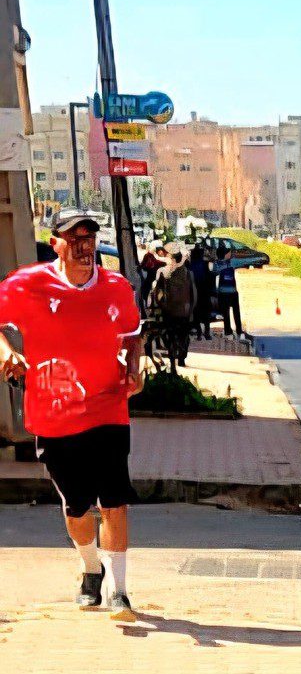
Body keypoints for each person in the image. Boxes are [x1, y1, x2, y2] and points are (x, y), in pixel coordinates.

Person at [0, 211, 146, 620]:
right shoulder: (28, 284)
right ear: (56, 244)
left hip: (108, 406)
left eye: (90, 238)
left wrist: (134, 368)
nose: (85, 246)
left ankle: (119, 591)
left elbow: (133, 335)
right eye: (75, 238)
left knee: (114, 500)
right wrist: (7, 352)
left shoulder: (116, 287)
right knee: (77, 508)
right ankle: (91, 568)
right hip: (54, 414)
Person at [147, 249, 195, 368]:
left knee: (171, 336)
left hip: (169, 310)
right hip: (184, 311)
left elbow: (157, 292)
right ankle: (181, 358)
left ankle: (173, 361)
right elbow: (193, 293)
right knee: (184, 335)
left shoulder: (164, 273)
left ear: (173, 260)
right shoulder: (189, 274)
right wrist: (191, 308)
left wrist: (161, 305)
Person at [186, 245, 213, 339]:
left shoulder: (190, 265)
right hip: (204, 290)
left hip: (194, 291)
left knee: (196, 312)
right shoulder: (205, 264)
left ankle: (199, 333)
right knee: (206, 312)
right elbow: (209, 277)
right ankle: (207, 333)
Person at [214, 258, 244, 339]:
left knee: (226, 312)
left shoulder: (217, 263)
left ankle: (228, 331)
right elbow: (243, 262)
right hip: (233, 291)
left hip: (222, 292)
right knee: (236, 312)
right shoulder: (233, 262)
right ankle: (239, 330)